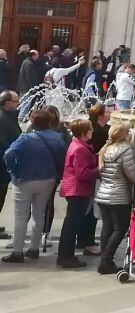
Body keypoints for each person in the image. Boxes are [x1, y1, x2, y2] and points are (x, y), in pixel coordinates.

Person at [1, 110, 67, 263]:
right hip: (48, 179)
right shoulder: (57, 138)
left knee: (21, 216)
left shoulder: (25, 139)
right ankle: (34, 248)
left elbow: (9, 154)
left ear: (32, 122)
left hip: (25, 179)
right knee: (39, 214)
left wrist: (13, 171)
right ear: (49, 122)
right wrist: (57, 175)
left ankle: (18, 251)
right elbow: (61, 158)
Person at [94, 123, 135, 274]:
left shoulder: (105, 149)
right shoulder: (126, 150)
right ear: (123, 134)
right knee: (120, 229)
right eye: (128, 132)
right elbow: (133, 175)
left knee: (107, 227)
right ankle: (106, 260)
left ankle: (104, 260)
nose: (130, 134)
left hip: (103, 195)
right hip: (119, 197)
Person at [56, 119, 98, 268]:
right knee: (72, 225)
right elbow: (82, 174)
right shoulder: (79, 148)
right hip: (77, 190)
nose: (92, 131)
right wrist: (99, 170)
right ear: (83, 133)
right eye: (90, 129)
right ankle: (66, 257)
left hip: (75, 189)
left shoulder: (79, 145)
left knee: (71, 224)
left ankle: (64, 256)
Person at [0, 91, 22, 241]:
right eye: (16, 101)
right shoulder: (2, 119)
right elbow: (4, 143)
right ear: (7, 103)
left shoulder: (9, 116)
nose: (18, 103)